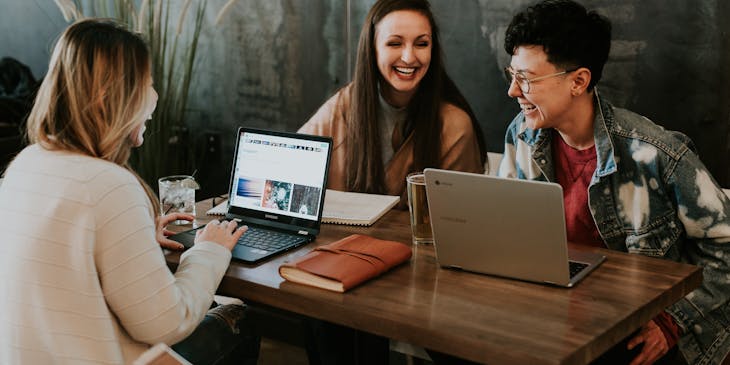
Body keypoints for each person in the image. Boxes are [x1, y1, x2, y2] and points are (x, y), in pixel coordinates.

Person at [0, 19, 259, 365]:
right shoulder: (109, 186)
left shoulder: (24, 165)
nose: (154, 97)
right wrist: (208, 251)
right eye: (148, 84)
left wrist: (135, 236)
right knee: (241, 319)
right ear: (113, 97)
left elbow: (63, 271)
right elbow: (167, 324)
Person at [498, 1, 730, 364]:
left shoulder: (656, 154)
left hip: (640, 329)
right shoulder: (522, 135)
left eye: (526, 78)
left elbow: (725, 247)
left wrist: (672, 323)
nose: (513, 91)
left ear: (579, 81)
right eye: (511, 74)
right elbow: (507, 232)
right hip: (557, 317)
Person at [299, 0, 486, 207]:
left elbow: (462, 217)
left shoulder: (454, 125)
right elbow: (290, 167)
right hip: (344, 239)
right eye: (395, 43)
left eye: (421, 43)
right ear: (372, 48)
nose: (408, 57)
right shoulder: (343, 106)